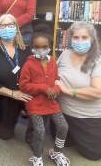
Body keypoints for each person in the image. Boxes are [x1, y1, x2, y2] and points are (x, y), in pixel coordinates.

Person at [56, 21, 101, 160]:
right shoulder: (64, 54)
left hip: (89, 117)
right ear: (70, 39)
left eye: (84, 37)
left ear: (92, 39)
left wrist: (67, 90)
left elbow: (99, 92)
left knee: (94, 154)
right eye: (76, 37)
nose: (79, 41)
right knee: (63, 143)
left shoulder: (100, 62)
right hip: (63, 113)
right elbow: (54, 74)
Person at [19, 25, 70, 166]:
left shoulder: (53, 61)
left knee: (63, 126)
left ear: (49, 46)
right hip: (34, 103)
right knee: (40, 131)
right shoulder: (28, 64)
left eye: (44, 47)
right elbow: (23, 85)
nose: (41, 50)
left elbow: (57, 79)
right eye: (37, 47)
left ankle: (57, 152)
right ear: (32, 47)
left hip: (51, 102)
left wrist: (55, 89)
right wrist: (43, 88)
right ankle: (37, 157)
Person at [0, 14, 32, 139]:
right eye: (3, 26)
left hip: (26, 92)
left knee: (42, 113)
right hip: (5, 97)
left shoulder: (26, 49)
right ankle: (3, 119)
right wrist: (13, 94)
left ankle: (28, 121)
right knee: (5, 135)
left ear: (16, 28)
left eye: (11, 25)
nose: (7, 28)